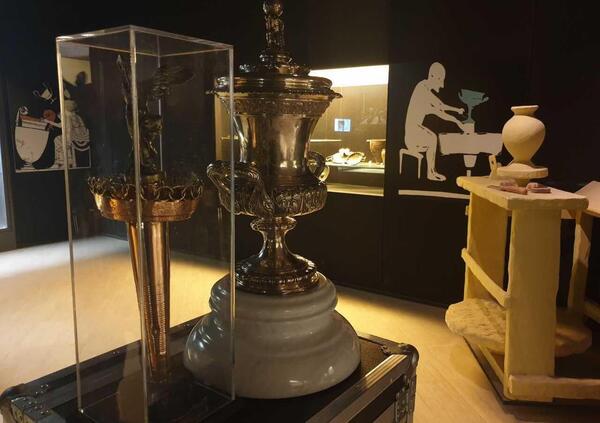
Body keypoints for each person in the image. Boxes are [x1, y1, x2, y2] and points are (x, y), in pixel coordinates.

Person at [404, 62, 465, 181]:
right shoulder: (422, 88)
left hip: (415, 133)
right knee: (432, 138)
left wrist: (457, 120)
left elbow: (441, 112)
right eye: (439, 79)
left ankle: (431, 172)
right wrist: (457, 111)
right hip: (412, 136)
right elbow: (440, 106)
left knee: (432, 137)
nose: (441, 85)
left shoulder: (425, 96)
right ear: (432, 76)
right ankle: (431, 173)